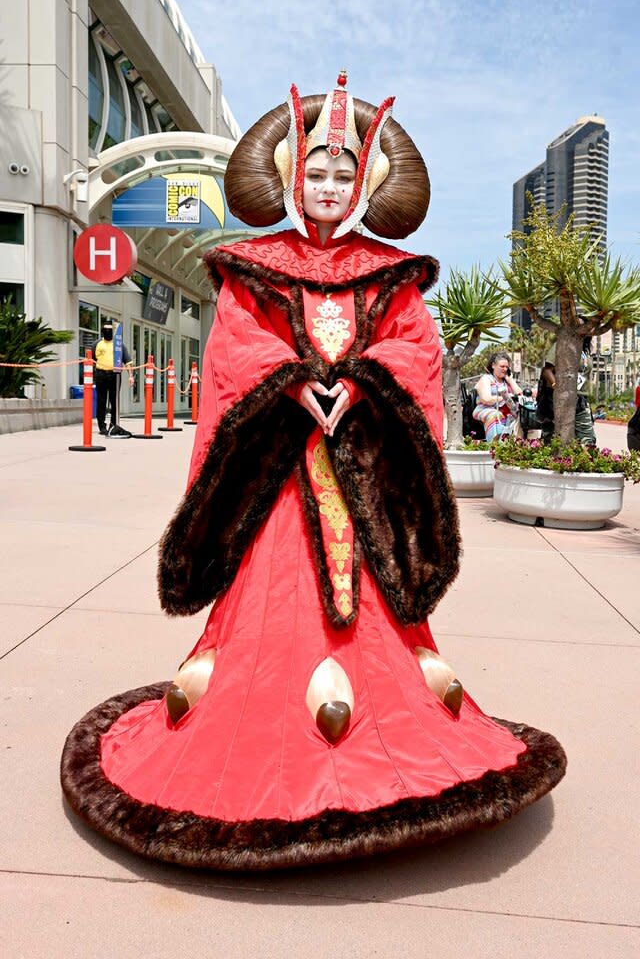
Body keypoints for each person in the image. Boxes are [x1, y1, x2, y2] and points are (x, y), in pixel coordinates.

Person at [61, 75, 565, 870]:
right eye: (315, 174)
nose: (327, 188)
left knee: (381, 628)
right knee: (265, 617)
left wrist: (365, 382)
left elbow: (416, 351)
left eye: (341, 176)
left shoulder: (390, 272)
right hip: (281, 474)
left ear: (362, 187)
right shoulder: (253, 267)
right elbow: (236, 346)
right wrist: (289, 380)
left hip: (359, 461)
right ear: (293, 183)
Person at [536, 340, 596, 444]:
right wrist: (560, 391)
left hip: (579, 399)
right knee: (552, 441)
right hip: (558, 400)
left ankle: (583, 459)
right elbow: (547, 371)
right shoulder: (563, 342)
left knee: (588, 440)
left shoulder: (585, 349)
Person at [92, 322, 134, 435]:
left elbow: (128, 361)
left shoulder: (119, 345)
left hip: (115, 375)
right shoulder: (97, 344)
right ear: (102, 331)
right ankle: (102, 426)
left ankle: (114, 424)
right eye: (105, 330)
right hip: (101, 375)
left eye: (110, 330)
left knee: (114, 401)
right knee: (101, 401)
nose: (107, 332)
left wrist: (131, 376)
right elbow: (92, 360)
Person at [472, 351, 522, 440]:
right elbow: (486, 399)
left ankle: (515, 443)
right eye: (502, 366)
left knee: (521, 416)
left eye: (507, 367)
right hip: (485, 409)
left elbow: (520, 394)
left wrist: (510, 380)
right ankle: (494, 444)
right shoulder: (486, 379)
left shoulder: (506, 382)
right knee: (495, 415)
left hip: (506, 410)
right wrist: (505, 397)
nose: (505, 369)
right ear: (493, 365)